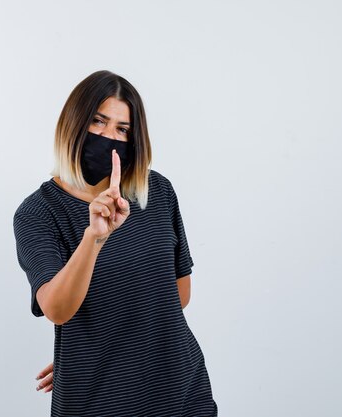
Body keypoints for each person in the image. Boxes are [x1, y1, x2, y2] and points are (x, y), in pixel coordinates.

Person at [13, 70, 218, 416]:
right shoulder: (38, 213)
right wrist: (94, 237)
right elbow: (57, 309)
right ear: (73, 124)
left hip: (182, 389)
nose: (109, 136)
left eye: (122, 129)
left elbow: (178, 294)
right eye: (98, 122)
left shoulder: (157, 192)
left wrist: (105, 348)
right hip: (99, 402)